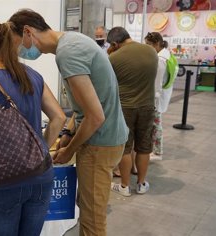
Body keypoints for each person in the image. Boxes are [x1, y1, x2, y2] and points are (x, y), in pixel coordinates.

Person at [9, 9, 128, 236]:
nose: (20, 52)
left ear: (27, 32)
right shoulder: (74, 41)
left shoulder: (68, 53)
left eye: (17, 45)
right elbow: (85, 107)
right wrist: (67, 133)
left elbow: (95, 116)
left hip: (100, 143)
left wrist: (69, 150)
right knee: (88, 208)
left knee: (93, 220)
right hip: (106, 138)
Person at [0, 17, 66, 236]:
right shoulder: (32, 75)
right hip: (41, 177)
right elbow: (58, 117)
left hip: (2, 181)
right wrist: (39, 150)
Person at [107, 27, 158, 197]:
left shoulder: (113, 58)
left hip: (125, 108)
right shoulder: (151, 51)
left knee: (125, 148)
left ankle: (124, 186)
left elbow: (108, 84)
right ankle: (142, 183)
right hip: (147, 106)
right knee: (144, 147)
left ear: (115, 43)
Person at [145, 32, 175, 160]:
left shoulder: (160, 60)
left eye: (149, 44)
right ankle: (156, 149)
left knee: (156, 125)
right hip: (163, 94)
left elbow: (157, 83)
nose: (147, 47)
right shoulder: (167, 55)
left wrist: (152, 99)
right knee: (156, 124)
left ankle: (157, 151)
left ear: (157, 43)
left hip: (157, 98)